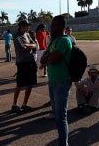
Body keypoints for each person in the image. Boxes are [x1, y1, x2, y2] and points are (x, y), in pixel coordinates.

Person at [40, 15, 72, 146]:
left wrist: (48, 57)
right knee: (56, 115)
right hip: (52, 81)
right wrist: (48, 56)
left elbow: (52, 60)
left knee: (60, 117)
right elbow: (43, 60)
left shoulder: (65, 41)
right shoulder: (54, 42)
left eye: (53, 25)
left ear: (60, 27)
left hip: (62, 82)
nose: (50, 28)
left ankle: (63, 144)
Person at [12, 20, 37, 112]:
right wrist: (31, 45)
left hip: (31, 61)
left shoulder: (27, 34)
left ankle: (24, 104)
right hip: (22, 62)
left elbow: (34, 45)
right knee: (20, 84)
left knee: (31, 83)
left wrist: (30, 45)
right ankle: (14, 104)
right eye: (27, 25)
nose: (29, 27)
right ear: (22, 26)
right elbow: (24, 48)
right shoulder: (17, 35)